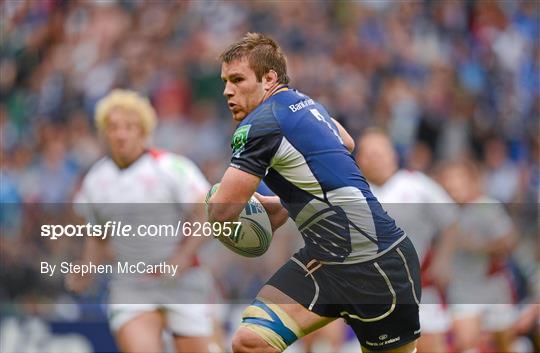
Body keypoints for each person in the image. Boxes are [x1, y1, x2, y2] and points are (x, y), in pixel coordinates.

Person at [207, 32, 421, 353]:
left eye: (237, 79)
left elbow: (222, 211)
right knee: (251, 342)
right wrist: (286, 204)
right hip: (324, 260)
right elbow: (346, 143)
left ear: (269, 79)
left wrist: (219, 206)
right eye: (225, 80)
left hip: (375, 264)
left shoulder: (260, 125)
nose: (227, 90)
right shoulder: (305, 104)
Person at [67, 89, 221, 353]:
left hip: (184, 283)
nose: (121, 134)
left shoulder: (172, 167)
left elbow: (208, 213)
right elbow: (98, 237)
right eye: (113, 127)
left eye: (129, 126)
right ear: (104, 132)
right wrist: (86, 269)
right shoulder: (95, 181)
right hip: (131, 286)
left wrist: (183, 256)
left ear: (144, 130)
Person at [356, 130, 459, 353]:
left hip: (421, 286)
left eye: (380, 152)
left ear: (393, 154)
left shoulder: (416, 185)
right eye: (369, 154)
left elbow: (451, 220)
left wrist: (443, 260)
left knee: (430, 345)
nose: (375, 158)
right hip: (373, 294)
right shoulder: (354, 193)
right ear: (359, 160)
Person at [437, 159, 518, 353]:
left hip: (493, 286)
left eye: (457, 178)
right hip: (462, 289)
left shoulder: (487, 207)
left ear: (471, 180)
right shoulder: (443, 211)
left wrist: (478, 247)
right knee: (465, 343)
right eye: (448, 180)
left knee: (505, 345)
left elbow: (510, 241)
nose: (452, 184)